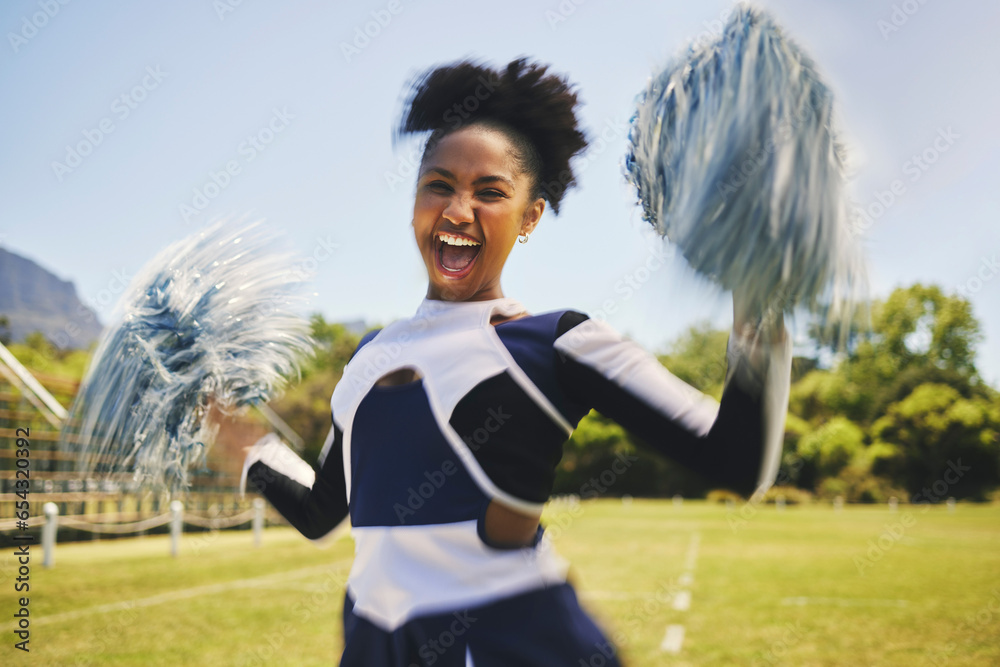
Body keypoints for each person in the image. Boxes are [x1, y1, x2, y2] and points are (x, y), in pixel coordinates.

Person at [240, 57, 792, 667]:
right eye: (439, 184)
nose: (457, 211)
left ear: (531, 216)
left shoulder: (556, 342)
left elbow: (738, 461)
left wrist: (755, 288)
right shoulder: (368, 358)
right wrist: (233, 436)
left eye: (491, 193)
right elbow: (323, 514)